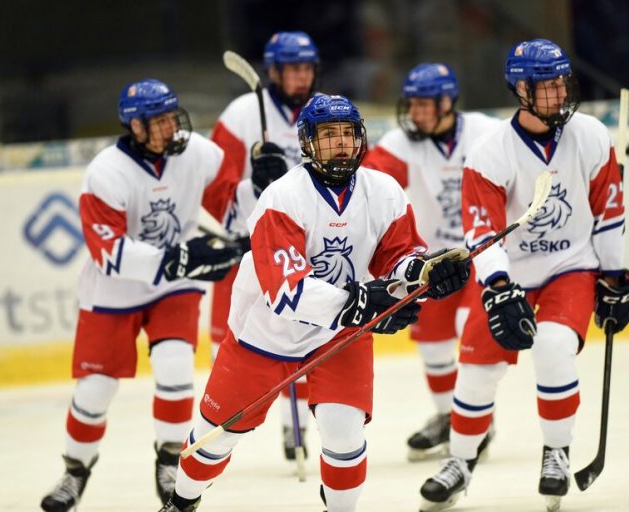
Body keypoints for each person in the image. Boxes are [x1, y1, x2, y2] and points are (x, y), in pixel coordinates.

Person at [157, 94, 471, 512]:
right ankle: (181, 502)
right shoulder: (282, 198)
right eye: (328, 135)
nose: (340, 143)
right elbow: (287, 290)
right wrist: (361, 302)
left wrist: (424, 273)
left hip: (338, 333)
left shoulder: (383, 191)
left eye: (347, 133)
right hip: (266, 334)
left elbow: (398, 257)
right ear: (307, 143)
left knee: (345, 434)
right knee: (217, 435)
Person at [418, 39, 629, 512]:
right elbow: (482, 230)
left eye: (561, 82)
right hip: (508, 273)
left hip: (569, 267)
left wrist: (617, 277)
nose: (558, 92)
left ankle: (556, 451)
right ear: (520, 89)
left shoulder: (592, 135)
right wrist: (496, 286)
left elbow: (610, 212)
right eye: (545, 85)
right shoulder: (490, 152)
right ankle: (460, 461)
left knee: (554, 347)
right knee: (474, 370)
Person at [40, 79, 244, 511]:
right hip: (113, 291)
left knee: (174, 368)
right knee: (94, 390)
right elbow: (110, 253)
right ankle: (75, 470)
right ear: (134, 125)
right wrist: (184, 257)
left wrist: (259, 185)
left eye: (173, 117)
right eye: (159, 121)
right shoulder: (105, 174)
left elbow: (230, 206)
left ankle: (169, 459)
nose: (171, 128)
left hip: (174, 287)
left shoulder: (197, 152)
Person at [364, 63, 500, 461]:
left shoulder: (485, 133)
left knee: (468, 330)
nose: (415, 112)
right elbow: (366, 178)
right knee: (434, 345)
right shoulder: (401, 144)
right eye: (412, 104)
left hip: (483, 251)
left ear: (447, 102)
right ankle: (447, 416)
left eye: (424, 104)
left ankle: (480, 417)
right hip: (434, 262)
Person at [210, 30, 320, 460]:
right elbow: (215, 193)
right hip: (252, 248)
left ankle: (301, 428)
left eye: (307, 67)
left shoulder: (323, 111)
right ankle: (225, 430)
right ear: (273, 72)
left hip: (310, 245)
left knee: (311, 335)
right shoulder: (241, 115)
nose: (301, 76)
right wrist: (250, 187)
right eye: (292, 69)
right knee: (248, 341)